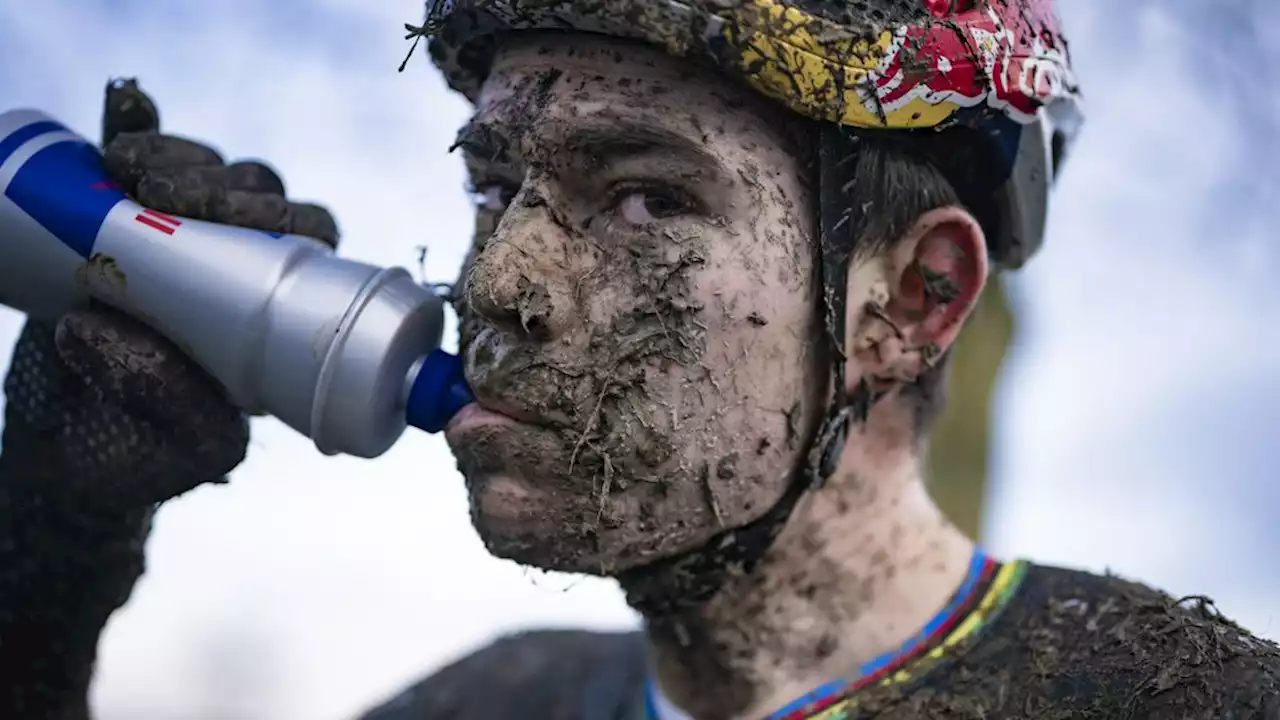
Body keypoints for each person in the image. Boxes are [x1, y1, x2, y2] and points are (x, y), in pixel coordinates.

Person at [2, 4, 1279, 720]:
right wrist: (50, 561)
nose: (493, 282)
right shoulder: (486, 709)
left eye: (643, 202)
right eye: (492, 184)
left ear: (914, 299)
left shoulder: (1176, 702)